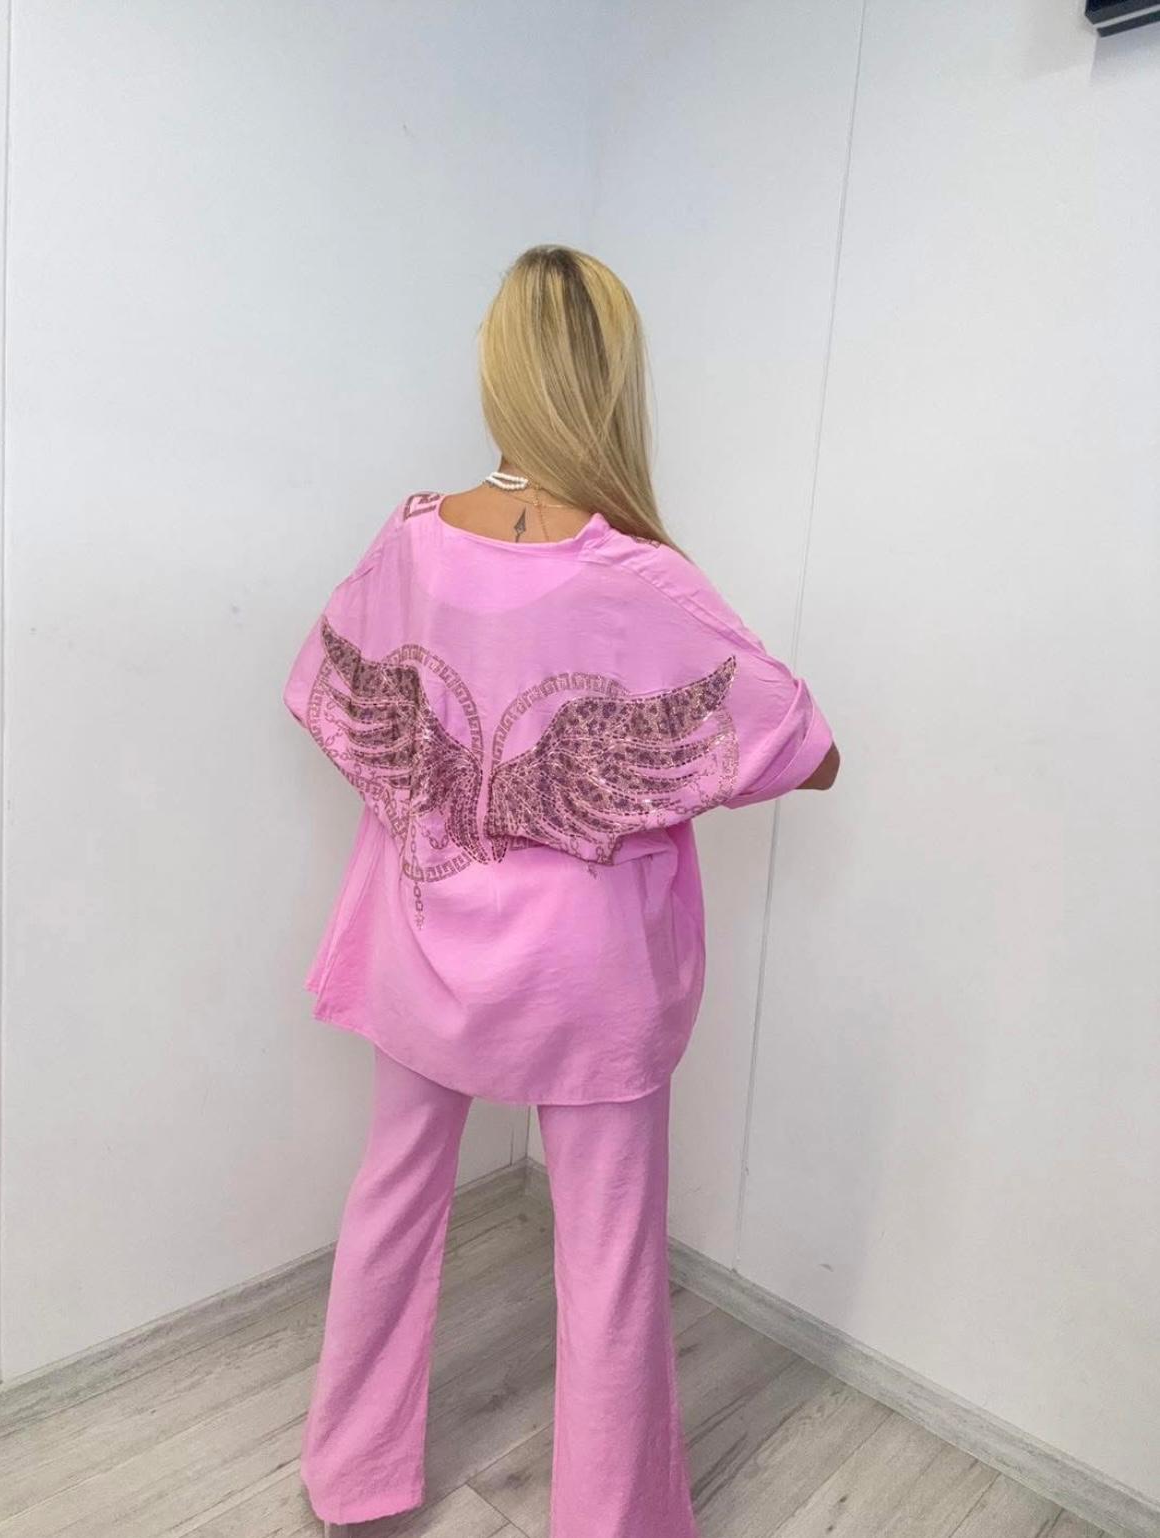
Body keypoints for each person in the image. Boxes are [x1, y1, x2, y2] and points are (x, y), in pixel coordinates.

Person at [283, 244, 839, 1538]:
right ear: (608, 380)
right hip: (588, 979)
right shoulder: (637, 576)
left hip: (426, 945)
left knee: (392, 1198)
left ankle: (350, 1475)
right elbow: (805, 744)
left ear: (500, 369)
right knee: (607, 1254)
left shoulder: (412, 539)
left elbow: (325, 690)